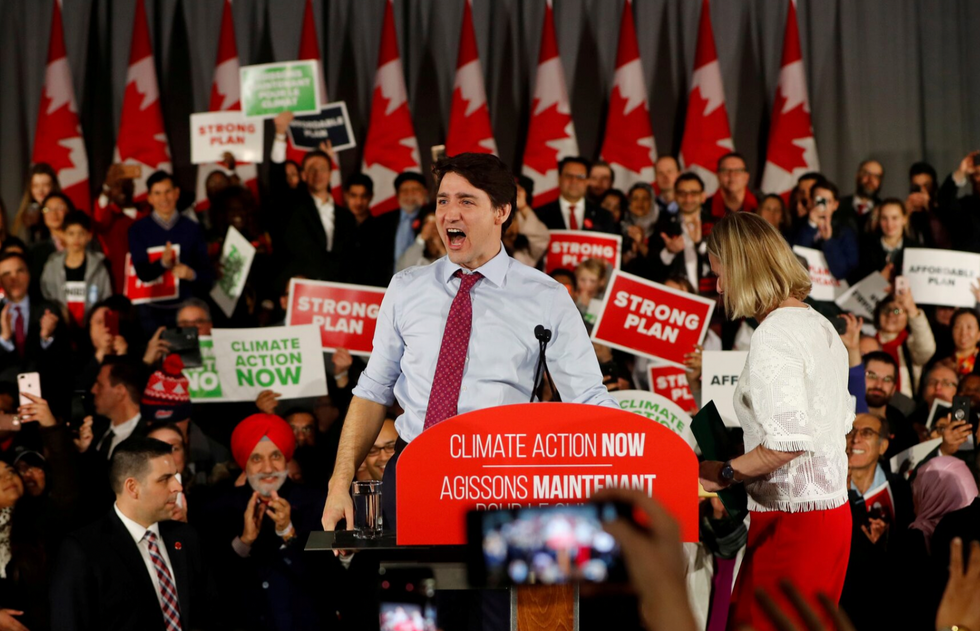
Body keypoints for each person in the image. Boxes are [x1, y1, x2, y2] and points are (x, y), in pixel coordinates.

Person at [321, 153, 617, 533]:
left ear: (501, 211)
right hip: (414, 471)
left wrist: (647, 458)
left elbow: (588, 398)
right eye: (443, 200)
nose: (449, 214)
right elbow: (373, 391)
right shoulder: (406, 287)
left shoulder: (546, 296)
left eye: (466, 201)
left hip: (503, 480)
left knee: (496, 596)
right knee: (418, 593)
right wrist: (338, 483)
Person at [698, 212, 852, 630]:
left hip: (794, 524)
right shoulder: (818, 322)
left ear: (744, 267)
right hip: (830, 516)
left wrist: (724, 472)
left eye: (720, 272)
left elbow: (788, 442)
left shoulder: (773, 333)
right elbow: (836, 423)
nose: (719, 286)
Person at [50, 437, 212, 631]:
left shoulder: (185, 537)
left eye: (175, 477)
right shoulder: (84, 550)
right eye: (164, 479)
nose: (177, 487)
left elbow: (211, 613)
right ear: (133, 488)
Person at [200, 413, 336, 631]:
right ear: (244, 463)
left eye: (275, 456)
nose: (267, 468)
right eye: (256, 459)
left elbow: (326, 578)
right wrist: (244, 541)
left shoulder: (317, 502)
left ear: (287, 458)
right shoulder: (219, 508)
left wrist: (288, 533)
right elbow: (216, 584)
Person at [128, 171, 213, 332]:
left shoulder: (192, 229)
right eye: (157, 193)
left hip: (186, 313)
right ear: (149, 198)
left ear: (176, 193)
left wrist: (191, 274)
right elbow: (142, 273)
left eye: (168, 192)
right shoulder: (138, 230)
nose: (164, 198)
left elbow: (207, 276)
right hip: (150, 312)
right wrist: (162, 264)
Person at [281, 149, 356, 283]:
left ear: (330, 173)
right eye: (312, 169)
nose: (318, 174)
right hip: (306, 289)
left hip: (340, 291)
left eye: (322, 168)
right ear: (303, 175)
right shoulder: (292, 210)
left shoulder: (347, 217)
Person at [0, 251, 67, 390]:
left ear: (29, 274)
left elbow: (64, 362)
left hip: (44, 391)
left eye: (19, 271)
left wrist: (46, 338)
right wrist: (3, 339)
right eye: (6, 274)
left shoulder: (49, 310)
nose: (14, 279)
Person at [40, 211, 113, 329]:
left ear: (89, 236)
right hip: (60, 327)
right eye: (71, 233)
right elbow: (46, 294)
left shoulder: (98, 266)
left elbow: (106, 296)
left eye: (81, 233)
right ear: (63, 235)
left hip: (90, 328)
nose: (76, 238)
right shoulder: (52, 265)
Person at [92, 164, 146, 293]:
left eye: (127, 184)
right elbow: (100, 220)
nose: (122, 189)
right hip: (117, 281)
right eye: (116, 186)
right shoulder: (109, 216)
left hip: (144, 280)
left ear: (133, 187)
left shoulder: (145, 213)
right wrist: (106, 187)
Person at [873, 290, 936, 399]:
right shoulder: (867, 343)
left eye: (897, 311)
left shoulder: (910, 345)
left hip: (903, 408)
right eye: (886, 310)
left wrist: (912, 310)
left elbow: (926, 349)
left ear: (907, 317)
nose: (891, 314)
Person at [793, 178, 859, 282]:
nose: (822, 205)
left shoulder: (846, 233)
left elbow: (842, 272)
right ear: (810, 201)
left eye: (827, 201)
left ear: (835, 205)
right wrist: (811, 226)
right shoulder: (796, 225)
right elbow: (793, 260)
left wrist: (828, 240)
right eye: (819, 200)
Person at [84, 356, 149, 461]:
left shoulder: (149, 437)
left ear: (120, 392)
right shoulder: (95, 435)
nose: (93, 390)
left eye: (100, 385)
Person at [535, 157, 616, 233]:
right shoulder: (538, 215)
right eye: (568, 176)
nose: (574, 181)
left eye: (580, 177)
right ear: (559, 179)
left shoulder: (604, 216)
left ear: (587, 181)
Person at [861, 351, 917, 457]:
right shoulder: (838, 416)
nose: (879, 385)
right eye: (872, 376)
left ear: (893, 389)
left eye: (887, 379)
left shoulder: (903, 428)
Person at [856, 198, 921, 282]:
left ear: (904, 219)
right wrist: (878, 281)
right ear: (879, 220)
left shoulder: (917, 250)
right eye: (884, 218)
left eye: (894, 218)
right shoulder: (864, 247)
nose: (889, 224)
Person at [377, 171, 430, 274]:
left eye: (415, 190)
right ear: (397, 195)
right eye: (404, 190)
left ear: (425, 193)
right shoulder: (381, 222)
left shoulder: (434, 220)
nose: (409, 194)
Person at [937, 150, 980, 253]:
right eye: (978, 174)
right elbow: (944, 201)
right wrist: (961, 172)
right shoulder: (967, 207)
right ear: (971, 178)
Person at [12, 164, 59, 246]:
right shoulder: (25, 215)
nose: (40, 190)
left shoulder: (61, 212)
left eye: (45, 185)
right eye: (35, 186)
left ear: (53, 186)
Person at [704, 152, 757, 220]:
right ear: (718, 175)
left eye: (738, 170)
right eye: (726, 170)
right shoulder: (704, 209)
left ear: (746, 176)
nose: (731, 175)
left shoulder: (760, 208)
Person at [838, 159, 884, 228]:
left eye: (876, 176)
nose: (871, 180)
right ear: (857, 176)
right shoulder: (838, 205)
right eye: (867, 174)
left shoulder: (883, 209)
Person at [948, 308, 980, 376]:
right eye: (957, 327)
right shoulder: (943, 362)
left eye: (969, 327)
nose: (963, 333)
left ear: (979, 334)